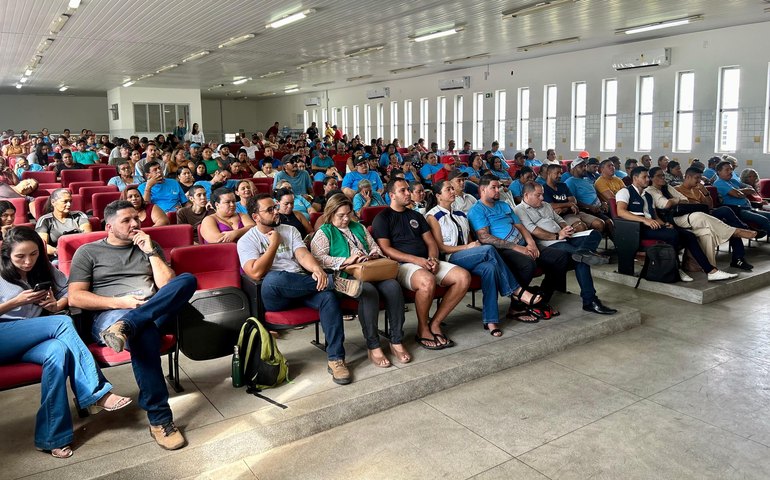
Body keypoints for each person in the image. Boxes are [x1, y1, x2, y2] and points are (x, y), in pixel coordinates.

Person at [68, 200, 197, 450]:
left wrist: (150, 251)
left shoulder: (149, 245)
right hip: (110, 315)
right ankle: (160, 420)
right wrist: (121, 302)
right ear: (109, 226)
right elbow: (75, 297)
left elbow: (167, 285)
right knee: (144, 334)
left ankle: (129, 325)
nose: (135, 224)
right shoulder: (88, 252)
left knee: (186, 280)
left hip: (151, 309)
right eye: (126, 220)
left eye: (136, 219)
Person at [0, 227, 132, 458]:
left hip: (33, 338)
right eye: (20, 256)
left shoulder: (43, 268)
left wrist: (55, 304)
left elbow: (67, 292)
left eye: (33, 254)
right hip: (4, 336)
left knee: (57, 351)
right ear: (6, 254)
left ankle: (51, 438)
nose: (28, 261)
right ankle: (96, 392)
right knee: (61, 324)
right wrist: (14, 303)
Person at [238, 193, 362, 384]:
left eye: (275, 206)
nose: (276, 211)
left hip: (301, 286)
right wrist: (274, 244)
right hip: (274, 294)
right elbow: (255, 273)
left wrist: (317, 270)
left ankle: (336, 359)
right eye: (270, 210)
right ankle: (334, 282)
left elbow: (302, 254)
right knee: (273, 278)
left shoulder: (289, 230)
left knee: (328, 298)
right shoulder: (247, 240)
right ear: (256, 217)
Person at [427, 180, 542, 334]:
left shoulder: (460, 214)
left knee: (490, 268)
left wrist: (471, 247)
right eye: (448, 189)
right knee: (488, 249)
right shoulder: (433, 216)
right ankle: (517, 290)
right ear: (438, 196)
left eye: (453, 189)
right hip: (449, 258)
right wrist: (468, 247)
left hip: (468, 256)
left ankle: (491, 321)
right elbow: (441, 247)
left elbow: (469, 241)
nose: (453, 192)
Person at [311, 195, 411, 366]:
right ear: (330, 214)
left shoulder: (358, 227)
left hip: (369, 270)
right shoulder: (324, 232)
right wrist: (346, 260)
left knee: (393, 287)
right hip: (345, 277)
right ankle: (373, 346)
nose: (345, 219)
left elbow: (373, 246)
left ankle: (396, 340)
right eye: (340, 215)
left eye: (348, 214)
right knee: (368, 291)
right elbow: (318, 259)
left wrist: (372, 254)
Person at [372, 178, 471, 349]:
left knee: (463, 277)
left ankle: (435, 323)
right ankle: (422, 328)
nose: (408, 193)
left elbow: (431, 243)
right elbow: (386, 249)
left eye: (407, 190)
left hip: (426, 261)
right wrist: (417, 260)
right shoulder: (382, 218)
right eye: (402, 190)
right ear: (391, 195)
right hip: (402, 264)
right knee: (427, 281)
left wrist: (432, 259)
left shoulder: (416, 215)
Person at [468, 175, 570, 320]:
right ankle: (515, 308)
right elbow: (484, 237)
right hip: (502, 250)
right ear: (483, 189)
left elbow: (520, 226)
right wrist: (517, 248)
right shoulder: (477, 210)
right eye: (494, 187)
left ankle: (541, 298)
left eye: (499, 187)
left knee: (560, 257)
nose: (498, 190)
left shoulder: (503, 205)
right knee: (528, 264)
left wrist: (531, 243)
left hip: (522, 244)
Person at [616, 167, 736, 282]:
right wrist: (644, 220)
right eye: (645, 177)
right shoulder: (625, 192)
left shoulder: (648, 195)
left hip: (652, 226)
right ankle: (675, 268)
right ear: (635, 178)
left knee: (689, 235)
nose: (648, 179)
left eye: (648, 177)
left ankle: (711, 271)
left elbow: (655, 216)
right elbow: (621, 212)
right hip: (636, 229)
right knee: (673, 235)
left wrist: (665, 224)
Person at [514, 182, 617, 314]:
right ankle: (590, 300)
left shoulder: (545, 205)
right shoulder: (519, 210)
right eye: (538, 195)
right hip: (548, 243)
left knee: (594, 234)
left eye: (542, 195)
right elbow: (534, 231)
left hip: (564, 237)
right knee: (582, 259)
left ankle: (583, 252)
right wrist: (557, 236)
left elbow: (559, 219)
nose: (542, 198)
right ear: (526, 195)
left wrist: (565, 228)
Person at [646, 166, 756, 272]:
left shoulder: (695, 189)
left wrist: (705, 192)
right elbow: (668, 204)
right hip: (688, 216)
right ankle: (739, 231)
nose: (699, 181)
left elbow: (708, 205)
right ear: (688, 177)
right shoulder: (675, 188)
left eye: (663, 176)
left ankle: (720, 264)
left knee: (726, 218)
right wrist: (677, 200)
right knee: (725, 220)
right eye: (696, 178)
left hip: (702, 214)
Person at [713, 160, 770, 233]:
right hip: (738, 210)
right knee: (763, 220)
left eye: (731, 169)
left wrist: (739, 191)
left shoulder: (733, 181)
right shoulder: (719, 183)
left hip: (748, 207)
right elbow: (738, 194)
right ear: (719, 171)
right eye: (727, 170)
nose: (730, 171)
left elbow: (751, 189)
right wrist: (740, 192)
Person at [35, 188, 92, 257]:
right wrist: (58, 252)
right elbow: (43, 245)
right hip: (57, 256)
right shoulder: (45, 220)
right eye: (65, 201)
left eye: (70, 201)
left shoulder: (79, 215)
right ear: (53, 202)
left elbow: (87, 236)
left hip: (81, 253)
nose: (69, 205)